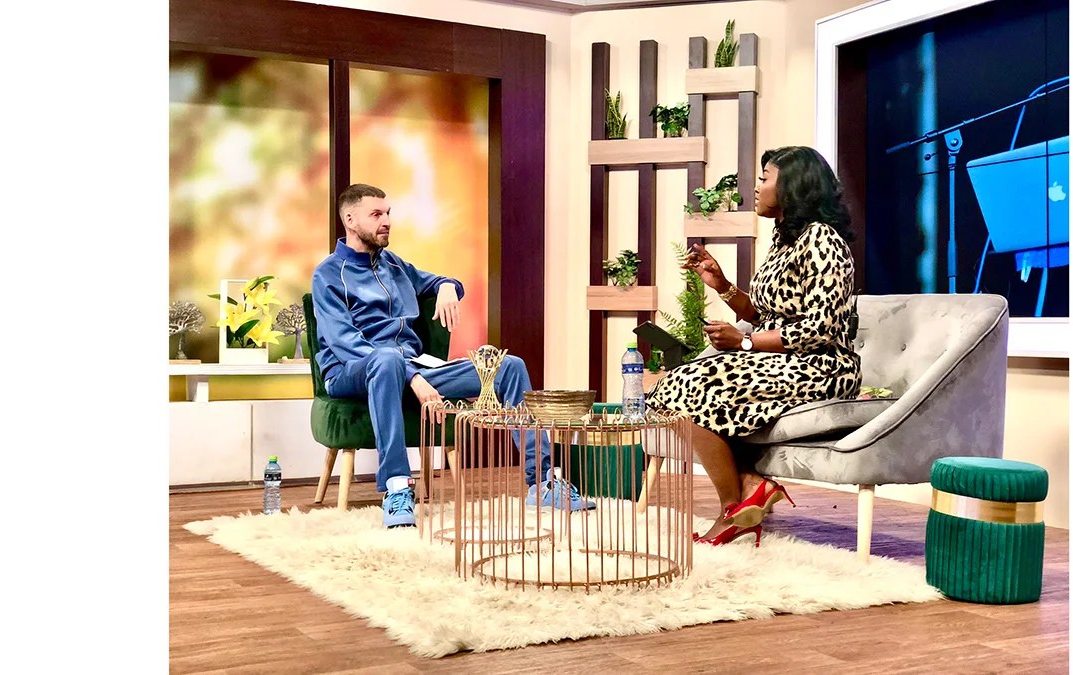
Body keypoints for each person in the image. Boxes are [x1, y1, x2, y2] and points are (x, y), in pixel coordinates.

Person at [312, 183, 594, 528]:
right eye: (376, 214)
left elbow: (442, 282)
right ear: (351, 220)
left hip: (411, 367)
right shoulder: (328, 274)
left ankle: (544, 481)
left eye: (388, 213)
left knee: (508, 367)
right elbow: (345, 342)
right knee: (387, 359)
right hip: (352, 371)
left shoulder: (393, 265)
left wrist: (447, 286)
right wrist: (411, 375)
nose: (387, 221)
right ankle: (397, 488)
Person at [644, 146, 861, 546]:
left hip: (823, 366)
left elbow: (820, 328)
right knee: (675, 384)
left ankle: (734, 509)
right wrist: (722, 285)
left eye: (765, 179)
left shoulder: (822, 240)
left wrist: (744, 342)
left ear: (793, 186)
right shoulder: (786, 239)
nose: (757, 187)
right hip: (786, 360)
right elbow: (767, 314)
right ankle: (749, 489)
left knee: (687, 386)